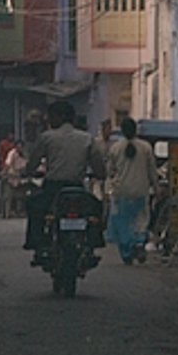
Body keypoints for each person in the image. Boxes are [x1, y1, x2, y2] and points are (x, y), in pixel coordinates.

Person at [22, 98, 103, 258]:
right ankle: (94, 241)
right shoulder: (87, 138)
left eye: (51, 117)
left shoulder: (47, 137)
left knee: (33, 205)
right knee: (95, 208)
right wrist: (99, 175)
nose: (49, 121)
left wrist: (29, 171)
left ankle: (36, 242)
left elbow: (33, 163)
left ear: (58, 117)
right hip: (77, 188)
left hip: (53, 189)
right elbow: (99, 168)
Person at [106, 117, 158, 265]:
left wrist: (108, 189)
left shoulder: (115, 148)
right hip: (141, 191)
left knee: (123, 222)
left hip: (121, 191)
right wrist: (156, 187)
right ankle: (139, 243)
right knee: (141, 219)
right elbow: (152, 171)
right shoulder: (146, 147)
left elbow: (110, 172)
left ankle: (127, 251)